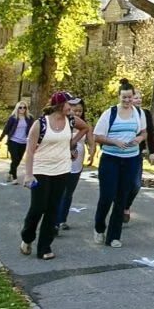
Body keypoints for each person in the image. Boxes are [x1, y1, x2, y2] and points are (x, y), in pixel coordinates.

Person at [91, 80, 154, 248]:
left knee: (122, 198)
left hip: (131, 159)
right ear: (119, 96)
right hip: (110, 159)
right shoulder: (110, 113)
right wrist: (114, 142)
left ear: (133, 96)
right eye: (124, 97)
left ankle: (114, 236)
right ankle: (99, 227)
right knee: (107, 196)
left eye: (130, 97)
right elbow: (97, 136)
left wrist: (139, 139)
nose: (127, 101)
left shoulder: (138, 113)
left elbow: (144, 132)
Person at [19, 101, 80, 260]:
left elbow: (86, 128)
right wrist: (28, 174)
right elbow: (30, 151)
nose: (72, 109)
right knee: (38, 207)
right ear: (59, 105)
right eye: (69, 105)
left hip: (62, 170)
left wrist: (71, 146)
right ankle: (27, 237)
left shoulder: (71, 120)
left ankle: (45, 247)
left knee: (53, 209)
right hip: (41, 169)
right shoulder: (40, 123)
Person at [55, 97, 91, 232]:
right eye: (74, 110)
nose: (77, 113)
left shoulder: (82, 124)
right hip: (61, 162)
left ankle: (62, 219)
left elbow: (89, 134)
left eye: (80, 111)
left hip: (77, 163)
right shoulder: (63, 122)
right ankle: (55, 221)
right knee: (60, 192)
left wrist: (91, 153)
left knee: (68, 193)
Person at [0, 101, 33, 183]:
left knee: (18, 161)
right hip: (13, 141)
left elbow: (33, 130)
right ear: (17, 108)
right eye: (20, 107)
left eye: (24, 107)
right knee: (15, 159)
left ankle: (9, 173)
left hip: (23, 142)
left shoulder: (29, 118)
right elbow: (6, 129)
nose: (22, 109)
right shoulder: (13, 118)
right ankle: (14, 178)